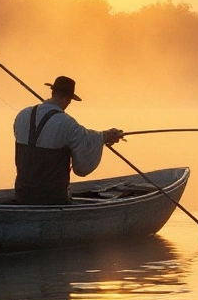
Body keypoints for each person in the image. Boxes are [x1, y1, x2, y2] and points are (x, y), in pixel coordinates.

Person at [14, 76, 124, 205]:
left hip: (22, 194)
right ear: (67, 98)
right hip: (52, 199)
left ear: (52, 92)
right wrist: (103, 137)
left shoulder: (22, 115)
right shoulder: (67, 123)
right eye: (70, 101)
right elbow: (84, 149)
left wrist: (104, 136)